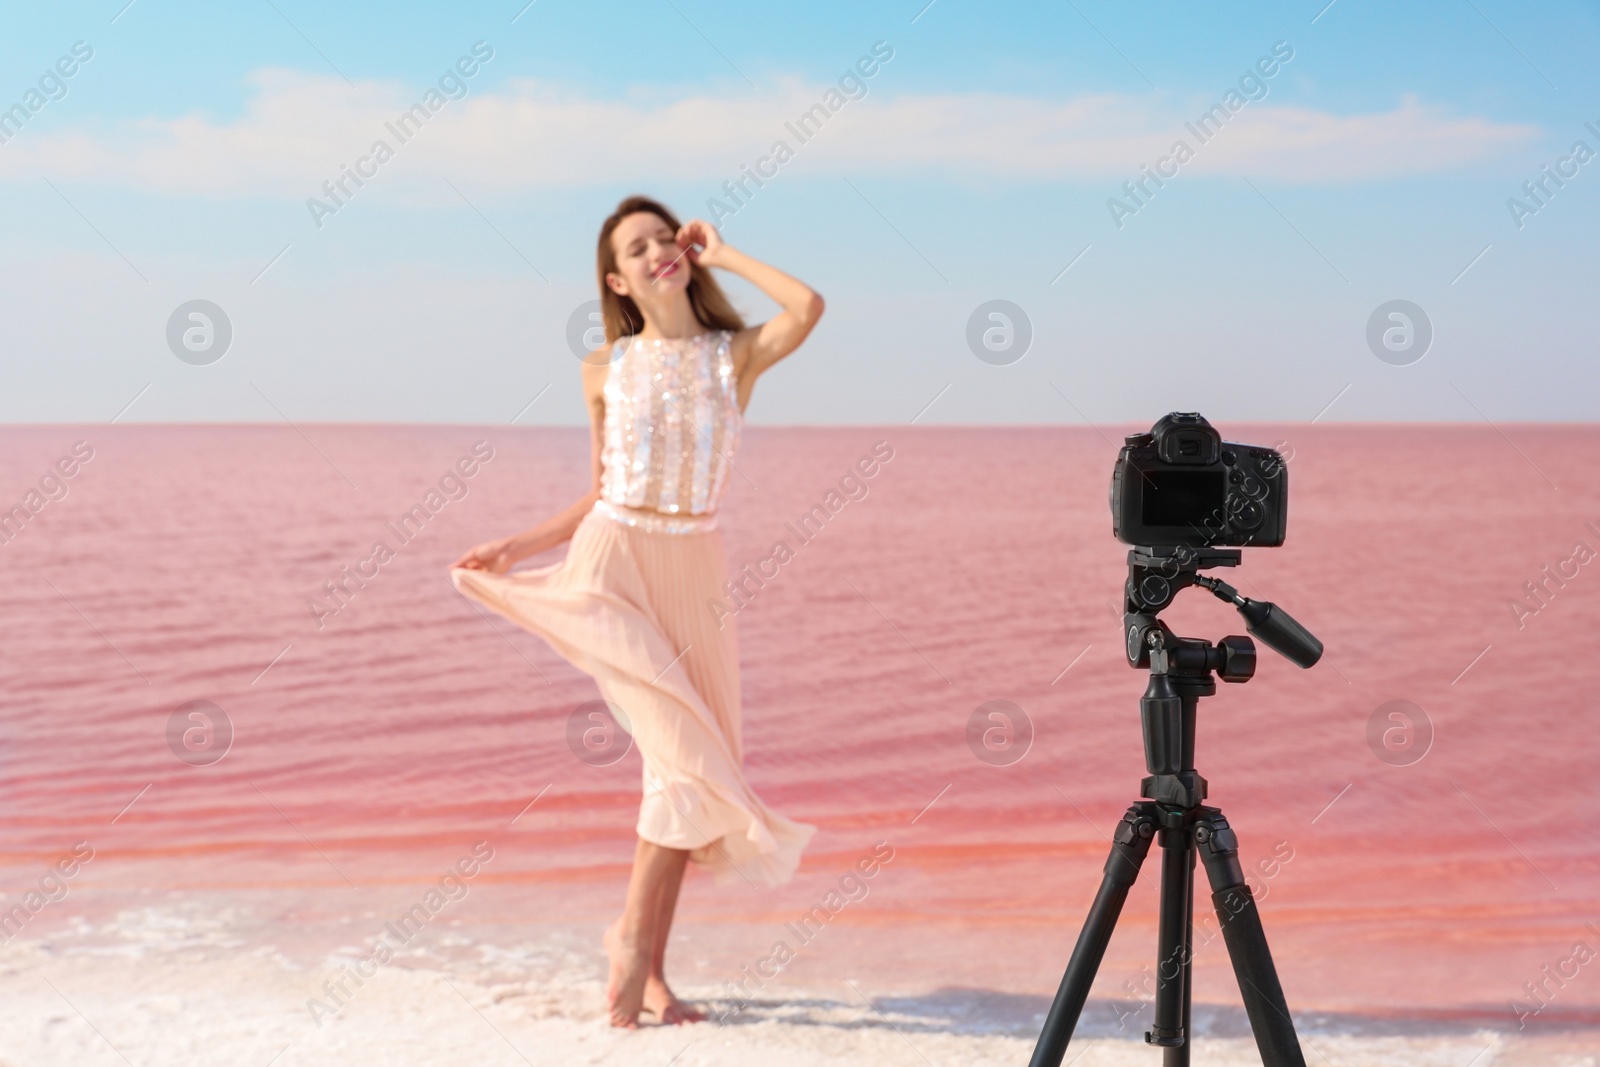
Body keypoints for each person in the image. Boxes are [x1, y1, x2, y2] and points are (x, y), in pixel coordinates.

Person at [449, 195, 823, 1028]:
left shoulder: (735, 357)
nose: (660, 250)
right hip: (616, 560)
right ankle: (628, 955)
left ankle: (648, 963)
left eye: (667, 236)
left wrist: (726, 255)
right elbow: (598, 490)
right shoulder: (603, 367)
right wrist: (516, 546)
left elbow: (808, 308)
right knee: (684, 761)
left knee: (684, 768)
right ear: (617, 279)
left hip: (698, 571)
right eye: (638, 246)